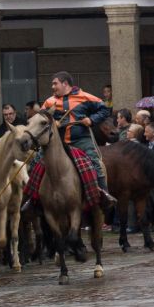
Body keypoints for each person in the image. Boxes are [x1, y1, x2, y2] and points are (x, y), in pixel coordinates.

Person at [27, 70, 117, 211]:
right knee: (36, 163)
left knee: (95, 163)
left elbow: (105, 109)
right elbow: (41, 119)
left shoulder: (85, 96)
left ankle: (104, 196)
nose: (52, 87)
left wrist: (91, 120)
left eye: (55, 83)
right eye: (52, 84)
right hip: (57, 142)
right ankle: (32, 201)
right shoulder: (49, 101)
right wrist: (53, 123)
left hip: (80, 139)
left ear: (65, 83)